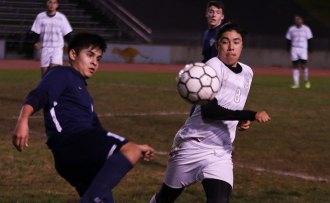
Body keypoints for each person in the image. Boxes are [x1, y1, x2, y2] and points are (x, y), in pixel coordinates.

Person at [12, 32, 154, 202]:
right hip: (74, 141)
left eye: (99, 59)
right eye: (90, 55)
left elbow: (97, 131)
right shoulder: (61, 73)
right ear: (73, 54)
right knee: (130, 150)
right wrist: (23, 120)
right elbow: (38, 95)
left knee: (103, 199)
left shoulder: (85, 95)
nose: (95, 62)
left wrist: (137, 146)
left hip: (72, 153)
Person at [150, 23, 271, 203]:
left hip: (221, 151)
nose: (231, 47)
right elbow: (210, 110)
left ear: (242, 45)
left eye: (236, 42)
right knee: (165, 198)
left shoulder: (248, 72)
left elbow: (229, 104)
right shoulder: (212, 66)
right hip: (192, 145)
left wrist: (238, 121)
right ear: (217, 46)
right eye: (225, 42)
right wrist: (250, 114)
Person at [31, 0, 73, 75]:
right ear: (46, 3)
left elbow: (67, 33)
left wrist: (71, 46)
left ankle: (55, 86)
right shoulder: (40, 16)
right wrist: (36, 42)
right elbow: (35, 31)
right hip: (45, 48)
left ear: (57, 5)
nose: (52, 5)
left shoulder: (61, 17)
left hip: (57, 48)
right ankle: (45, 86)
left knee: (55, 70)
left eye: (54, 3)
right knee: (44, 73)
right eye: (50, 2)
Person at [285, 14, 313, 89]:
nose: (298, 21)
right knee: (295, 66)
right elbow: (288, 40)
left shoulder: (306, 29)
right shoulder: (291, 29)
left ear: (302, 20)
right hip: (294, 49)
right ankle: (296, 84)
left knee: (304, 65)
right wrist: (288, 51)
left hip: (303, 49)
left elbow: (310, 40)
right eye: (296, 19)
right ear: (295, 21)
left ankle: (306, 80)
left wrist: (310, 51)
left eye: (299, 19)